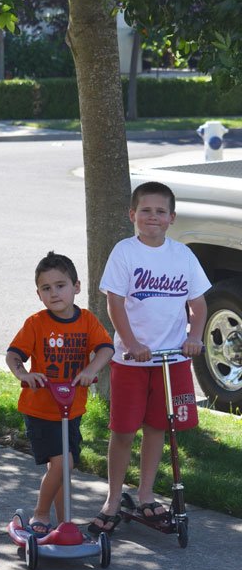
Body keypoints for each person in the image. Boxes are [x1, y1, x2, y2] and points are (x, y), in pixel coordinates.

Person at [88, 181, 211, 536]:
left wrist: (194, 337)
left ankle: (145, 494)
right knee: (124, 430)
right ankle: (113, 499)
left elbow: (198, 303)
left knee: (159, 427)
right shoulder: (125, 252)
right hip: (133, 360)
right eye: (145, 210)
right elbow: (114, 302)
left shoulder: (182, 255)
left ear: (172, 218)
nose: (153, 217)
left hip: (171, 360)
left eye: (160, 211)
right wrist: (131, 342)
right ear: (132, 215)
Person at [6, 251, 114, 537]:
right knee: (62, 463)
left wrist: (91, 369)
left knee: (63, 467)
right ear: (39, 294)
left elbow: (106, 348)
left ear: (76, 286)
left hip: (71, 407)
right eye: (46, 288)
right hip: (41, 408)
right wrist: (24, 375)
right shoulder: (36, 323)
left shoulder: (87, 321)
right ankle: (41, 514)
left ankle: (65, 523)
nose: (54, 293)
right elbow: (13, 355)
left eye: (60, 285)